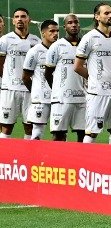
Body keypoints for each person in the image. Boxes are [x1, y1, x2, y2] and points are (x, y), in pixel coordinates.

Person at [75, 3, 111, 144]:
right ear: (97, 16)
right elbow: (77, 66)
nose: (110, 15)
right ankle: (85, 165)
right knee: (92, 133)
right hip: (97, 93)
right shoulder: (89, 38)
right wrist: (95, 79)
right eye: (106, 13)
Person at [0, 7, 39, 138]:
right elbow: (0, 64)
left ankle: (28, 158)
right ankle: (3, 157)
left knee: (30, 126)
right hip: (9, 89)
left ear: (29, 20)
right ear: (13, 22)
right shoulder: (5, 40)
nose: (20, 19)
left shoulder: (36, 41)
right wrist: (7, 80)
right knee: (6, 126)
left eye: (23, 16)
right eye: (16, 17)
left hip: (29, 89)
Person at [46, 13, 85, 142]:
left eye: (76, 22)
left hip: (83, 99)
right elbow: (48, 73)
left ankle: (81, 162)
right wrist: (58, 90)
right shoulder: (56, 46)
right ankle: (56, 162)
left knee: (84, 135)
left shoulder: (86, 44)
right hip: (62, 99)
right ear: (64, 26)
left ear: (79, 25)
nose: (73, 25)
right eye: (70, 23)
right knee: (59, 135)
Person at [20, 19, 59, 140]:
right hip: (41, 100)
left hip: (59, 98)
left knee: (59, 133)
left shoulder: (60, 49)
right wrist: (36, 92)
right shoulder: (34, 51)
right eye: (51, 31)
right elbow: (25, 77)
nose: (55, 34)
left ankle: (57, 159)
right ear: (43, 33)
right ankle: (33, 159)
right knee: (37, 133)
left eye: (57, 31)